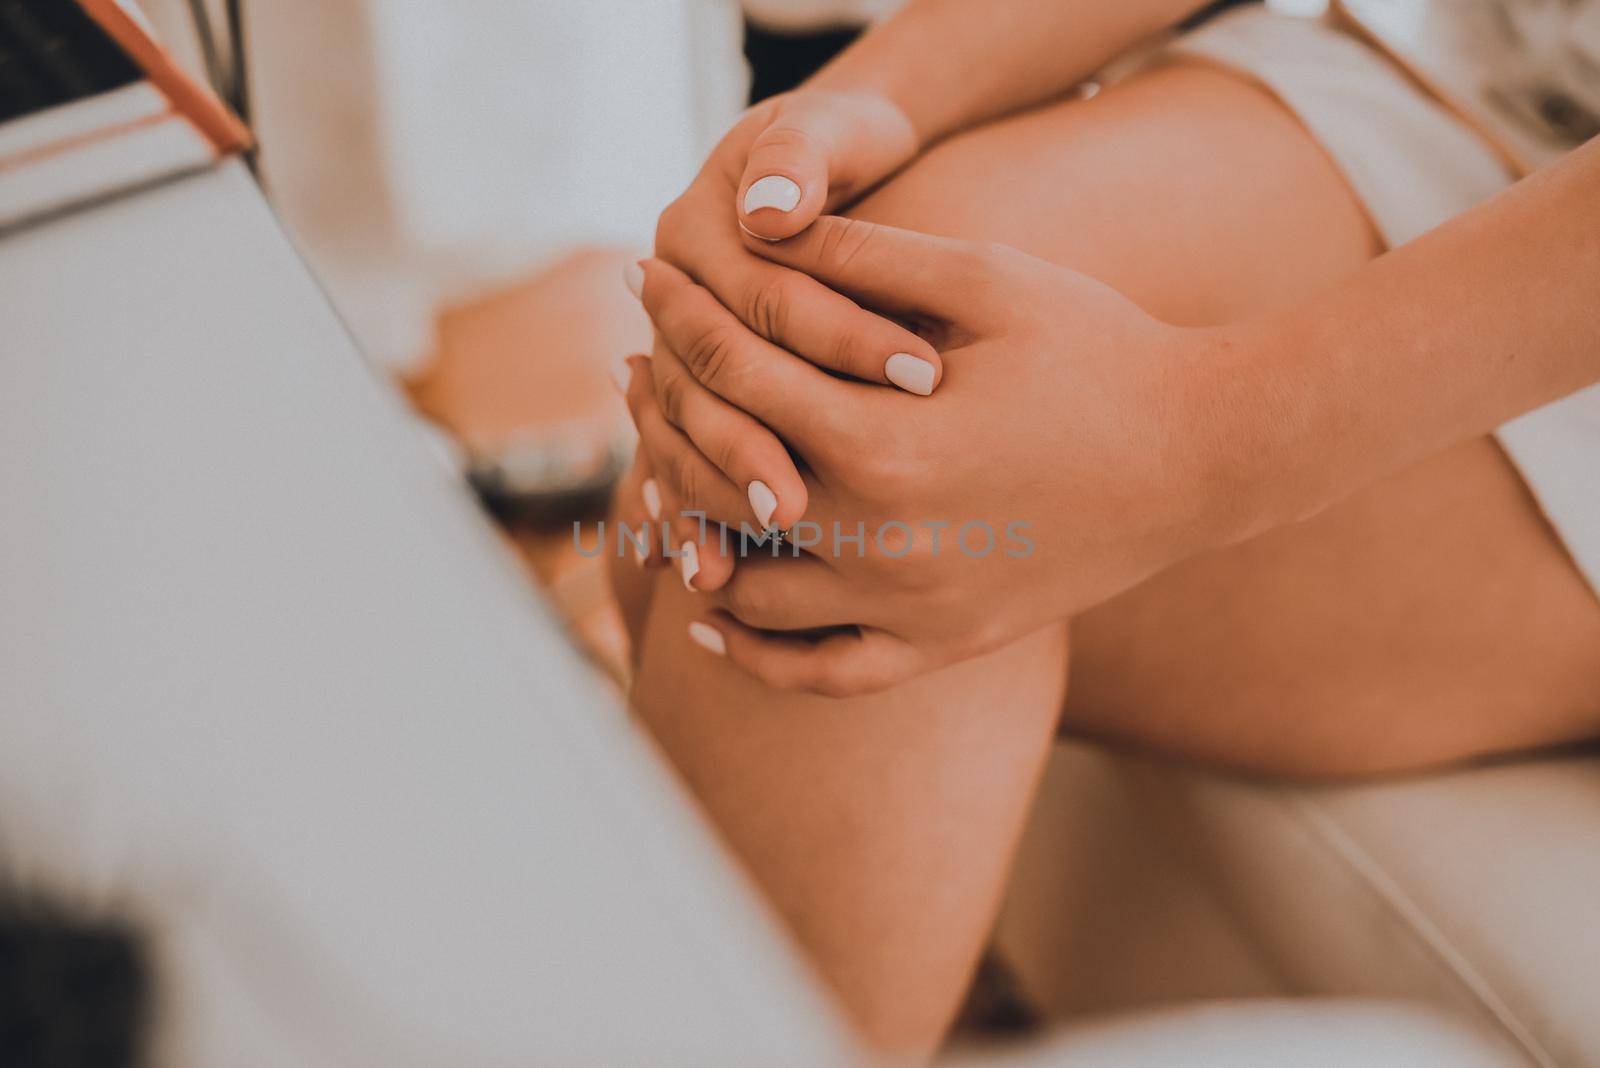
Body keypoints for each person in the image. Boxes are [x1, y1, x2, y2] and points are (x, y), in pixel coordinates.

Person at [606, 0, 1600, 1056]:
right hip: (1490, 55)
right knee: (846, 343)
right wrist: (867, 97)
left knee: (849, 491)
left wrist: (1205, 439)